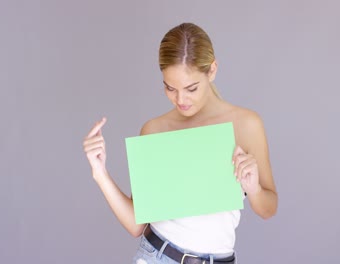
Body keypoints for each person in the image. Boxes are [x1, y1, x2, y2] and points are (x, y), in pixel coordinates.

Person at [83, 22, 278, 264]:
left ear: (212, 70)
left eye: (191, 88)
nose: (181, 99)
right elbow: (136, 225)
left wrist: (255, 188)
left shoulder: (246, 125)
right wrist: (100, 172)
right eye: (170, 88)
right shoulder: (154, 130)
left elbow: (269, 208)